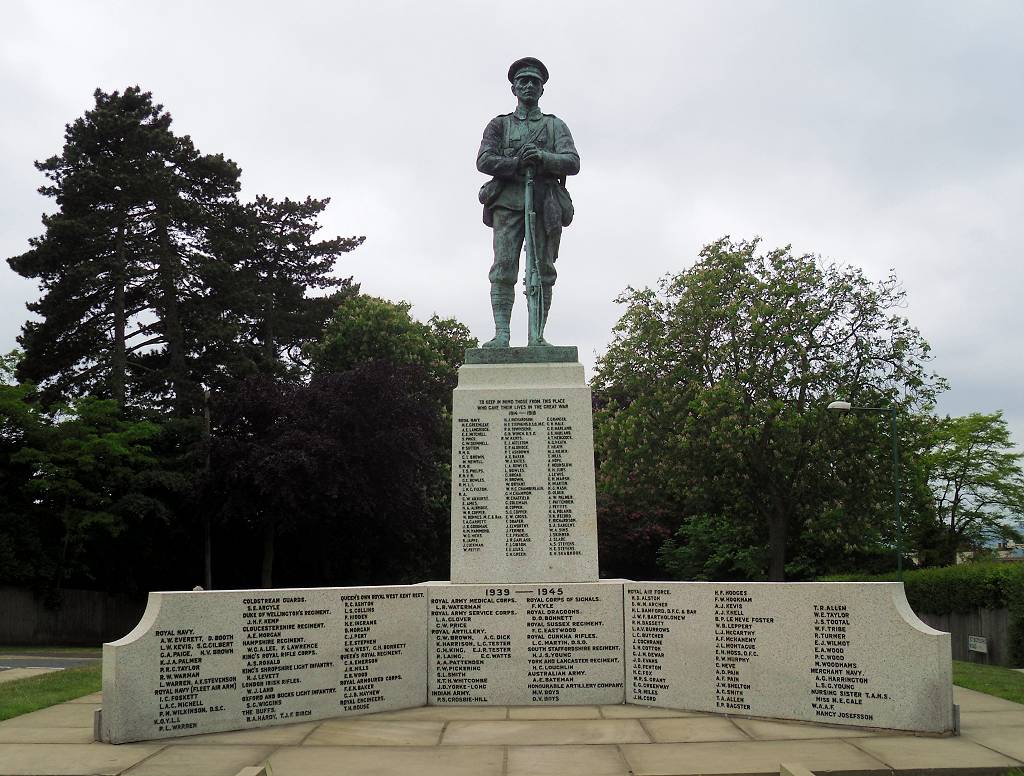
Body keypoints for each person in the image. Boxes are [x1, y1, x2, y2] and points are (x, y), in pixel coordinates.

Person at [476, 57, 580, 347]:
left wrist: (544, 158)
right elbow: (484, 160)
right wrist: (515, 162)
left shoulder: (554, 126)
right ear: (514, 88)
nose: (530, 85)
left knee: (542, 271)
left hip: (543, 204)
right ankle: (502, 335)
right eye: (524, 80)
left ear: (542, 89)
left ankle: (538, 336)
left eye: (536, 81)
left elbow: (572, 161)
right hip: (508, 203)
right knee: (504, 268)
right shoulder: (500, 125)